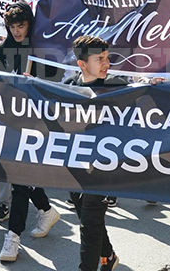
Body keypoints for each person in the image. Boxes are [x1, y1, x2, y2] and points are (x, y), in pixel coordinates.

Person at [0, 2, 61, 263]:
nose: (17, 31)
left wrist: (36, 82)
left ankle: (13, 237)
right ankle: (45, 209)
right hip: (7, 123)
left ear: (30, 24)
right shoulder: (2, 50)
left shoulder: (41, 51)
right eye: (12, 26)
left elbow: (57, 83)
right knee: (18, 175)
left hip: (36, 125)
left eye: (21, 25)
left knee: (20, 179)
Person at [63, 35, 125, 271]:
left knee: (89, 224)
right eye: (100, 59)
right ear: (81, 64)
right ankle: (108, 256)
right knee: (88, 219)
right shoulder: (69, 86)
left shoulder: (118, 86)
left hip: (103, 168)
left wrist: (156, 86)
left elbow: (148, 106)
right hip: (75, 166)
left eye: (107, 58)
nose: (106, 63)